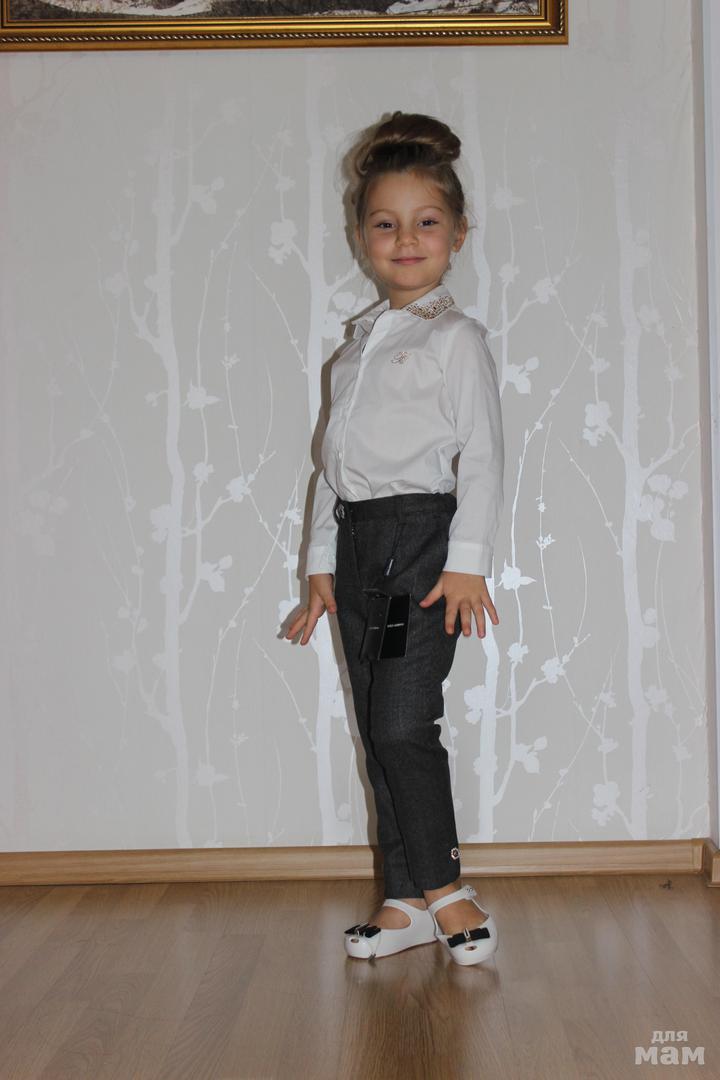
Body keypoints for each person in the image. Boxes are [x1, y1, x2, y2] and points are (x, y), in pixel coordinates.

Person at [284, 110, 504, 967]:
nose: (405, 239)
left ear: (458, 234)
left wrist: (466, 564)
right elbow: (331, 467)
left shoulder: (456, 339)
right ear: (360, 237)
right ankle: (404, 898)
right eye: (385, 223)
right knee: (376, 723)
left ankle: (446, 887)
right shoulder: (354, 352)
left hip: (421, 547)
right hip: (357, 546)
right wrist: (319, 566)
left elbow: (483, 455)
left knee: (405, 720)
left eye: (426, 221)